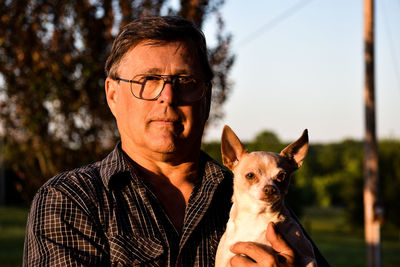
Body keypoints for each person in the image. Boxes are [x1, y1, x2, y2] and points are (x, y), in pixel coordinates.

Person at [23, 16, 329, 266]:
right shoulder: (70, 200)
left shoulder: (254, 197)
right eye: (148, 81)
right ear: (112, 95)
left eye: (185, 82)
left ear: (207, 98)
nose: (167, 96)